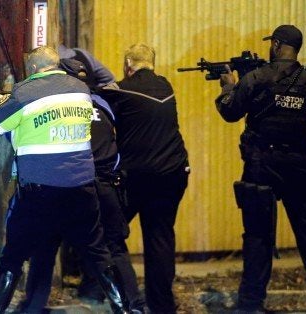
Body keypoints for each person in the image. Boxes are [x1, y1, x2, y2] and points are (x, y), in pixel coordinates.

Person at [0, 46, 131, 314]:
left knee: (14, 256)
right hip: (81, 189)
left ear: (33, 69)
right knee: (99, 255)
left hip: (38, 193)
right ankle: (124, 309)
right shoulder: (80, 89)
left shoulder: (24, 92)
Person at [215, 25, 306, 312]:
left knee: (258, 236)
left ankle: (250, 304)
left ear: (278, 45)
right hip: (300, 166)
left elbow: (230, 112)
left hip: (262, 165)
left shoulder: (257, 78)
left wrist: (229, 86)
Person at [16, 58, 145, 313]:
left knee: (45, 248)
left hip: (71, 185)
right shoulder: (104, 104)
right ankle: (132, 306)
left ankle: (32, 306)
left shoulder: (58, 104)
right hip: (105, 187)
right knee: (111, 251)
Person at [101, 43, 190, 314]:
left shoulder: (122, 90)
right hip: (173, 173)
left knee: (108, 233)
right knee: (160, 238)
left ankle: (128, 302)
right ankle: (162, 307)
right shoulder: (166, 86)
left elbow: (95, 98)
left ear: (128, 65)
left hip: (138, 177)